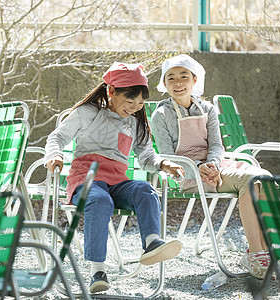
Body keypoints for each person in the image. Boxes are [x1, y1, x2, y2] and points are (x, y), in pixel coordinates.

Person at [45, 62, 185, 293]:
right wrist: (55, 154)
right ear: (111, 91)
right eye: (129, 101)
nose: (134, 107)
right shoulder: (88, 113)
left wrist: (162, 163)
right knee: (100, 200)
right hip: (86, 180)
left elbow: (146, 155)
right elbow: (57, 137)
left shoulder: (136, 120)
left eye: (139, 103)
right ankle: (97, 271)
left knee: (145, 190)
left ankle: (151, 243)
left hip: (117, 182)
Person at [150, 54, 271, 279]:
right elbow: (166, 155)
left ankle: (260, 252)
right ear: (164, 84)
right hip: (187, 172)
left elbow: (217, 145)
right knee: (251, 179)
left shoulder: (207, 109)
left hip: (216, 167)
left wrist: (212, 163)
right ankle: (257, 254)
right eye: (171, 78)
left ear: (194, 80)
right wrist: (198, 166)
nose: (178, 82)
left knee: (264, 177)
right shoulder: (161, 115)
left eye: (183, 76)